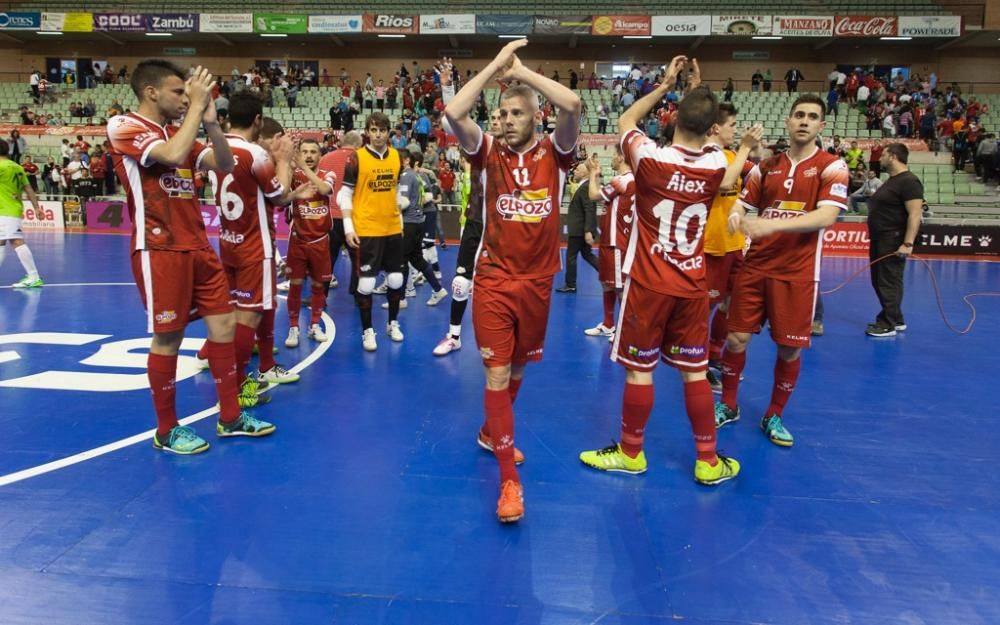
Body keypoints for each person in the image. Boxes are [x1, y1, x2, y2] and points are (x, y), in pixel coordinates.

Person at [579, 56, 751, 485]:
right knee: (694, 372)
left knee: (641, 369)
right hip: (692, 284)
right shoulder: (716, 164)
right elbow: (719, 148)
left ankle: (631, 452)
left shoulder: (650, 160)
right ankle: (708, 460)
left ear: (673, 117)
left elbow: (625, 119)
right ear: (713, 129)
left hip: (649, 283)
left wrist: (666, 84)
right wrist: (697, 85)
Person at [444, 39, 581, 523]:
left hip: (539, 281)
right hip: (495, 279)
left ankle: (490, 431)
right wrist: (495, 68)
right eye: (501, 113)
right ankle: (509, 480)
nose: (505, 120)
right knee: (497, 374)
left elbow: (573, 104)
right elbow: (454, 110)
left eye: (516, 113)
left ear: (535, 118)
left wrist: (523, 72)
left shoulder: (557, 155)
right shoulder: (486, 154)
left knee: (518, 371)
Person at [107, 60, 274, 455]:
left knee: (224, 329)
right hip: (160, 248)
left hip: (200, 247)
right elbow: (171, 154)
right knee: (169, 337)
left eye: (187, 93)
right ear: (151, 92)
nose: (185, 99)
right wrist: (197, 108)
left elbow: (225, 163)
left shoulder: (178, 130)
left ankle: (230, 417)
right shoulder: (124, 126)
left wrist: (212, 122)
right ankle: (166, 430)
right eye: (178, 92)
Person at [718, 93, 850, 448]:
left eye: (812, 116)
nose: (804, 121)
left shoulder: (832, 166)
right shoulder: (767, 167)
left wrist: (772, 226)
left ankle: (774, 413)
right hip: (755, 267)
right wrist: (736, 217)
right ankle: (728, 404)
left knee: (788, 349)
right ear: (789, 122)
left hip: (797, 273)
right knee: (735, 338)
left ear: (821, 125)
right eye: (799, 115)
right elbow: (743, 205)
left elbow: (827, 216)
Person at [209, 91, 301, 402]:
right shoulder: (254, 155)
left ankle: (232, 376)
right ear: (258, 120)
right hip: (253, 247)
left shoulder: (215, 149)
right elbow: (280, 195)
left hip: (227, 242)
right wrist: (285, 161)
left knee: (236, 314)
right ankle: (235, 389)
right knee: (248, 318)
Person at [432, 109, 502, 357]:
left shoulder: (516, 150)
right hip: (475, 223)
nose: (496, 121)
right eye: (492, 117)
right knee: (461, 284)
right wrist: (448, 86)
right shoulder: (479, 144)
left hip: (503, 227)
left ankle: (504, 340)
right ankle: (454, 336)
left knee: (502, 288)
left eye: (500, 117)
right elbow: (448, 121)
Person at [337, 112, 406, 352]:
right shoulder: (356, 159)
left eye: (382, 130)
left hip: (392, 228)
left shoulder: (398, 157)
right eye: (373, 130)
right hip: (366, 229)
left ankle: (393, 323)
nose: (378, 135)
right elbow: (344, 195)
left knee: (396, 279)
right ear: (367, 131)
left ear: (389, 133)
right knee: (366, 284)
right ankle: (368, 331)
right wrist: (348, 228)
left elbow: (395, 189)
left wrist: (401, 219)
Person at [703, 103, 760, 392]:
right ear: (715, 128)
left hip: (735, 244)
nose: (735, 130)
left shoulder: (730, 155)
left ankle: (715, 355)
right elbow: (724, 183)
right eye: (732, 125)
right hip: (712, 245)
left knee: (730, 303)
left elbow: (757, 173)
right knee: (706, 306)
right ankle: (698, 363)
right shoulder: (707, 156)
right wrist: (745, 149)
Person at [865, 143, 923, 337]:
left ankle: (887, 324)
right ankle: (896, 318)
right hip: (880, 238)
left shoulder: (909, 181)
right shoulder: (892, 181)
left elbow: (915, 214)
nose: (879, 158)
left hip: (892, 239)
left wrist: (907, 243)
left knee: (888, 281)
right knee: (880, 280)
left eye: (883, 155)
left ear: (893, 156)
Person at [284, 139, 335, 348]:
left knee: (318, 286)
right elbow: (282, 194)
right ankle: (294, 327)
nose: (309, 155)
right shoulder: (294, 176)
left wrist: (304, 168)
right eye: (304, 151)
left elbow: (324, 190)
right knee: (295, 287)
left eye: (313, 151)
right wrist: (288, 166)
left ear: (320, 155)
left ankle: (314, 325)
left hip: (320, 241)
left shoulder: (328, 174)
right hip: (298, 240)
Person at [583, 147, 633, 340]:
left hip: (617, 241)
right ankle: (609, 324)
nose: (612, 159)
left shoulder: (623, 180)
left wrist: (593, 174)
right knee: (607, 283)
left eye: (614, 155)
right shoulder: (628, 180)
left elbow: (594, 195)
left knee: (619, 287)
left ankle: (624, 330)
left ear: (621, 157)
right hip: (608, 240)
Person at [318, 130, 362, 292]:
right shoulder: (360, 159)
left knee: (327, 258)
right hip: (352, 217)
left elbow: (319, 186)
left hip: (329, 217)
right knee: (357, 258)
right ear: (358, 145)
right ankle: (358, 293)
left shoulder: (325, 159)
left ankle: (321, 295)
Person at [0, 139, 44, 287]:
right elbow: (29, 189)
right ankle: (33, 276)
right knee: (1, 242)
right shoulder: (18, 167)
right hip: (12, 209)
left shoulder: (1, 167)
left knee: (16, 241)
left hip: (5, 211)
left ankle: (34, 276)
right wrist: (37, 208)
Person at [555, 163, 598, 293]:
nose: (574, 172)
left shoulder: (585, 187)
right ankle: (608, 274)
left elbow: (589, 209)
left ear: (585, 173)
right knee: (587, 254)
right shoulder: (583, 186)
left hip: (579, 231)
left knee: (571, 256)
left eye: (577, 170)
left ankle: (571, 284)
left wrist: (588, 231)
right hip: (580, 230)